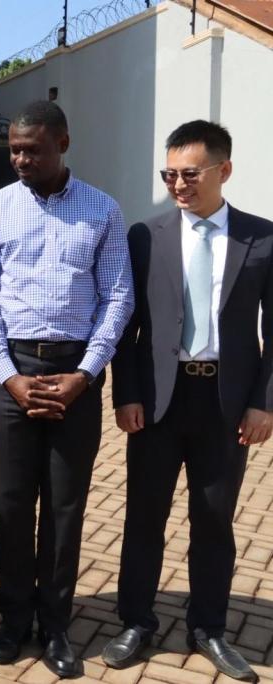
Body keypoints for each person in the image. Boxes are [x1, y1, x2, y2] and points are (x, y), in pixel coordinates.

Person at [0, 100, 133, 678]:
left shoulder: (103, 210)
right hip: (10, 369)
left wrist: (85, 375)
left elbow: (117, 298)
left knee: (65, 506)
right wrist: (8, 377)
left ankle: (56, 625)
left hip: (75, 376)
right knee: (11, 502)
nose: (19, 159)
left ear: (64, 141)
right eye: (14, 149)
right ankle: (14, 618)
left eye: (32, 149)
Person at [102, 121, 272, 682]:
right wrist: (126, 394)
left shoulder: (262, 239)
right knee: (144, 517)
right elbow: (125, 326)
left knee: (214, 521)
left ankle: (210, 628)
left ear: (224, 170)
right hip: (157, 402)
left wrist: (263, 402)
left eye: (189, 173)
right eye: (169, 174)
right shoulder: (144, 236)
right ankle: (136, 621)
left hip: (226, 404)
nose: (178, 184)